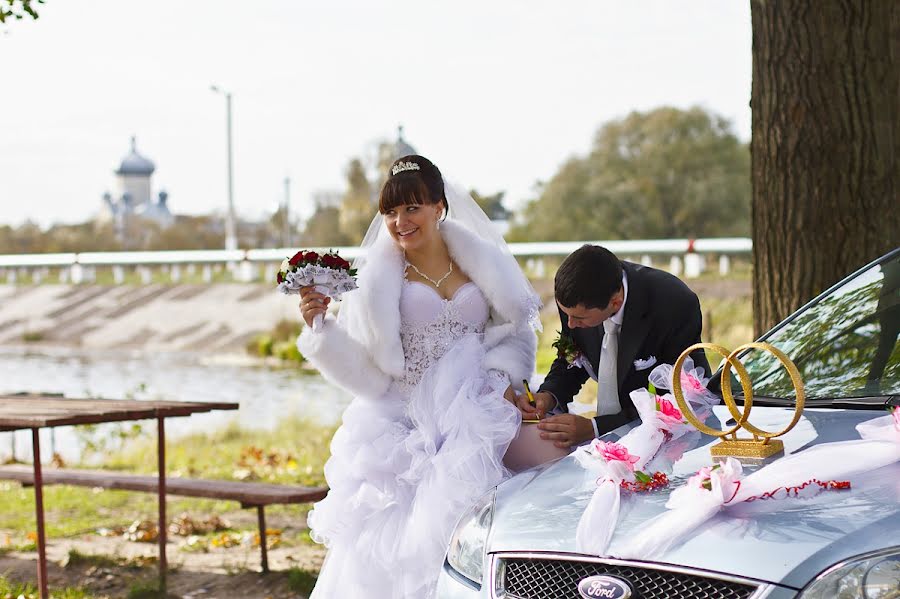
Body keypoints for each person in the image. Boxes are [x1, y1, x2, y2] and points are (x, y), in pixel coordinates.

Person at [296, 155, 546, 598]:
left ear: (438, 207)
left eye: (412, 208)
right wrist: (322, 330)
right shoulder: (377, 278)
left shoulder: (481, 260)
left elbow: (515, 330)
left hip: (478, 407)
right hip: (404, 421)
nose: (400, 222)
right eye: (390, 213)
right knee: (401, 545)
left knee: (501, 517)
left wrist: (505, 379)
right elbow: (367, 369)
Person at [515, 244, 711, 447]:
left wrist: (596, 428)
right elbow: (573, 359)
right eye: (567, 315)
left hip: (675, 440)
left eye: (579, 318)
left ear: (615, 303)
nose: (571, 324)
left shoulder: (674, 304)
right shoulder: (574, 297)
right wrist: (548, 396)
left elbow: (679, 400)